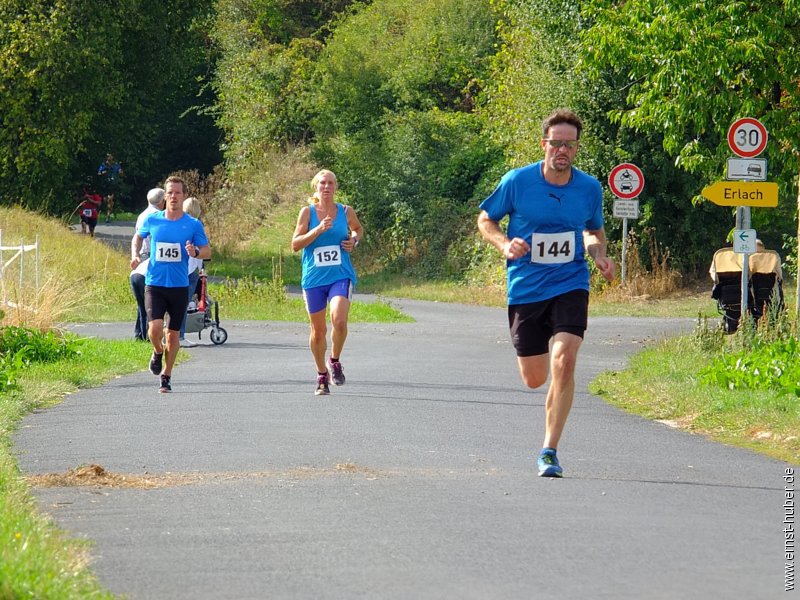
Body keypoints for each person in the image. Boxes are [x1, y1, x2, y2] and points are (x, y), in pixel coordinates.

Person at [477, 108, 616, 478]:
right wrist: (505, 244)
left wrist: (599, 255)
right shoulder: (518, 182)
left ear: (576, 149)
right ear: (544, 144)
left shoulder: (588, 188)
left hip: (571, 282)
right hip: (526, 287)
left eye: (570, 145)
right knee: (535, 378)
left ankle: (549, 450)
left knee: (565, 360)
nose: (563, 151)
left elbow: (592, 232)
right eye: (557, 143)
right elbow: (485, 219)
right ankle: (549, 390)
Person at [131, 176, 210, 393]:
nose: (173, 196)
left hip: (179, 286)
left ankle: (166, 375)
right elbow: (137, 237)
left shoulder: (192, 224)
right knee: (155, 329)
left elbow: (207, 250)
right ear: (164, 196)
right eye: (170, 192)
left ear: (183, 196)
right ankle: (157, 351)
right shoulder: (154, 220)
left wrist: (195, 251)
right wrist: (135, 255)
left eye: (177, 192)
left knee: (173, 335)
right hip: (155, 283)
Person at [291, 169, 364, 396]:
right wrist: (318, 229)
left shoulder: (345, 211)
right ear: (316, 187)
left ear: (335, 187)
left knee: (339, 320)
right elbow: (295, 244)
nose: (326, 187)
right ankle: (321, 374)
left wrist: (354, 241)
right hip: (313, 279)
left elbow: (358, 229)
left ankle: (334, 360)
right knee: (318, 330)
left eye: (330, 183)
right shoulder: (307, 212)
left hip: (341, 274)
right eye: (322, 183)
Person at [130, 188, 165, 341]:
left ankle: (139, 333)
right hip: (150, 257)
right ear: (162, 201)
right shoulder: (156, 216)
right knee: (149, 301)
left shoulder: (142, 215)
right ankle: (146, 334)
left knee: (142, 302)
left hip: (142, 256)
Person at [179, 197, 204, 348]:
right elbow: (202, 249)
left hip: (180, 268)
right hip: (190, 270)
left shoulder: (179, 224)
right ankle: (179, 335)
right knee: (182, 305)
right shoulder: (196, 225)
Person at [98, 153, 123, 223]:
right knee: (106, 200)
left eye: (110, 156)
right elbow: (99, 173)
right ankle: (109, 209)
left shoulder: (116, 165)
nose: (109, 157)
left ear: (112, 157)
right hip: (105, 185)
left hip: (113, 184)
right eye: (107, 156)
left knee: (110, 199)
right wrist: (103, 172)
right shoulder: (103, 165)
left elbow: (121, 173)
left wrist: (120, 172)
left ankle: (108, 216)